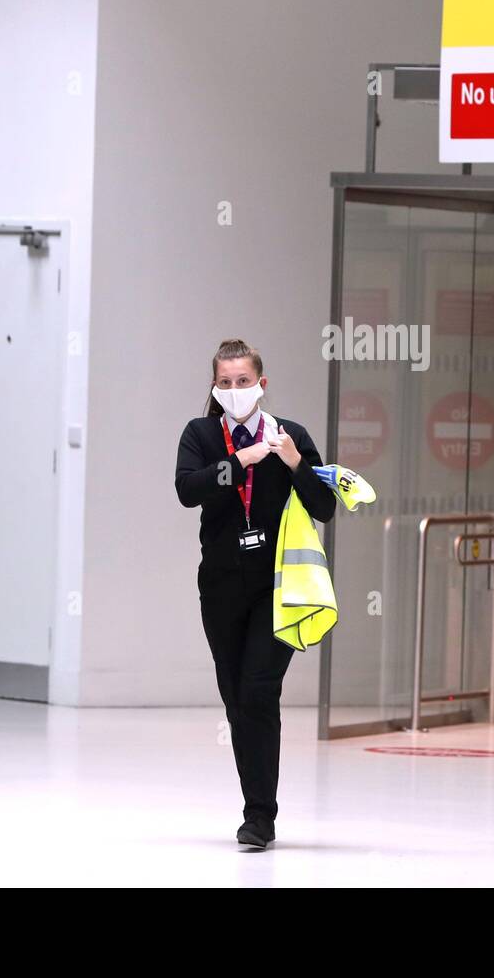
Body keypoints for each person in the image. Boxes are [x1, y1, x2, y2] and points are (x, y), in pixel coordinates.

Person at [174, 338, 335, 849]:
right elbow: (186, 489)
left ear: (261, 385)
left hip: (278, 584)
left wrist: (293, 463)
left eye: (244, 382)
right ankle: (256, 804)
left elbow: (325, 506)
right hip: (221, 586)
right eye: (226, 383)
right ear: (215, 388)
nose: (236, 390)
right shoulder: (201, 433)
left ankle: (259, 816)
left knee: (260, 689)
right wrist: (238, 461)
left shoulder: (291, 436)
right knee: (236, 698)